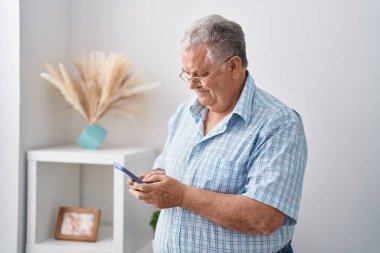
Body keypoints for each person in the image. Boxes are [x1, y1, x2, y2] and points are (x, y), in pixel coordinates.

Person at [128, 14, 307, 253]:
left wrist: (182, 196)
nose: (191, 84)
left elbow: (265, 217)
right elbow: (165, 167)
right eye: (186, 73)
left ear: (233, 66)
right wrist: (153, 182)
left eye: (200, 74)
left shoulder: (279, 123)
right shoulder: (185, 112)